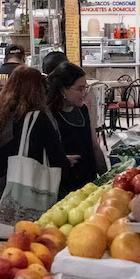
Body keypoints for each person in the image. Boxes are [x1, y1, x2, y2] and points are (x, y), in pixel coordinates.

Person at [0, 66, 69, 237]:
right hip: (26, 191)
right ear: (39, 91)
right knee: (27, 240)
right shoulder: (38, 118)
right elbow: (57, 159)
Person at [46, 63, 108, 192]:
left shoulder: (83, 110)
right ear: (63, 90)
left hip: (89, 181)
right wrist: (61, 160)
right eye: (80, 89)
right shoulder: (48, 115)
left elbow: (95, 147)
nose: (84, 93)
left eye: (85, 88)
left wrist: (106, 179)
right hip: (63, 186)